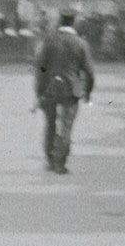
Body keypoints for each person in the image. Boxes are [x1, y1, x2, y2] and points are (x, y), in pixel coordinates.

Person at [34, 10, 95, 174]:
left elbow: (40, 68)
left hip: (50, 88)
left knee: (50, 125)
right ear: (74, 23)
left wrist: (39, 93)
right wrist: (87, 93)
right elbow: (89, 72)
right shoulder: (81, 43)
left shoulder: (48, 41)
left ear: (60, 21)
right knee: (66, 126)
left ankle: (49, 160)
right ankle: (60, 163)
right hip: (71, 90)